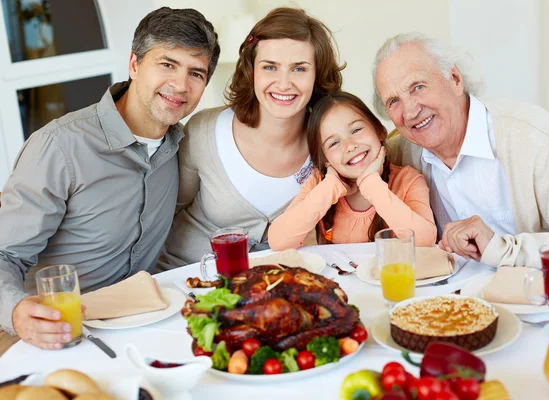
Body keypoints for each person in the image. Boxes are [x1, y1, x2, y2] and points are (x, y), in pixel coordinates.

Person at [0, 7, 220, 351]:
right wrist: (15, 311)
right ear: (134, 64)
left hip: (137, 326)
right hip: (45, 332)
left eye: (196, 73)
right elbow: (4, 254)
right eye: (167, 64)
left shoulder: (185, 147)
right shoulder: (60, 147)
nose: (180, 85)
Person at [373, 32, 549, 267]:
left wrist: (503, 249)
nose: (409, 112)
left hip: (536, 297)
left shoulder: (533, 137)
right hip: (450, 301)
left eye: (418, 87)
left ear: (455, 79)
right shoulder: (400, 154)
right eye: (393, 101)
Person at [160, 7, 344, 268]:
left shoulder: (329, 145)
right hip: (188, 282)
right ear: (252, 71)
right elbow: (164, 214)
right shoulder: (204, 131)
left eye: (299, 69)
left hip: (272, 291)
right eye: (270, 67)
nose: (283, 83)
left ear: (317, 76)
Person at [268, 91, 436, 249]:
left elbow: (425, 241)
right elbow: (278, 241)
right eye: (334, 143)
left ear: (379, 131)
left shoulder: (408, 180)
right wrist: (330, 188)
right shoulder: (320, 184)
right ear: (325, 159)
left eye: (356, 130)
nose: (350, 146)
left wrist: (372, 185)